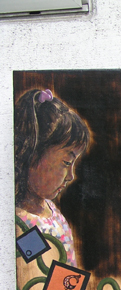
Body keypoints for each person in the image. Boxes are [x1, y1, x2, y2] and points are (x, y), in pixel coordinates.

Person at [14, 89, 90, 267]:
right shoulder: (25, 226)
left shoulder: (51, 209)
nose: (71, 176)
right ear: (32, 156)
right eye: (66, 162)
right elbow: (37, 278)